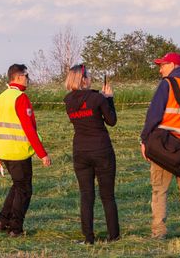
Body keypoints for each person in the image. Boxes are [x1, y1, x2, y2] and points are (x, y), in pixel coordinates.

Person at [140, 52, 180, 239]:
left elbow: (153, 115)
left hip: (165, 147)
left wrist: (144, 140)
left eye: (163, 65)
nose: (160, 69)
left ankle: (158, 231)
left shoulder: (166, 84)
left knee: (159, 190)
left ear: (174, 66)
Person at [0, 63, 51, 237]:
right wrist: (42, 154)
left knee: (17, 186)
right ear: (17, 77)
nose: (28, 79)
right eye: (26, 76)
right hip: (18, 151)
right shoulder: (20, 98)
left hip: (3, 150)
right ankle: (15, 228)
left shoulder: (0, 99)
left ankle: (2, 221)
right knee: (24, 189)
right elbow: (29, 128)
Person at [64, 64, 120, 244]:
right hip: (102, 149)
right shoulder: (98, 99)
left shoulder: (68, 101)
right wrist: (109, 99)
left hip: (80, 150)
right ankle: (114, 235)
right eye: (88, 76)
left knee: (86, 195)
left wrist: (99, 96)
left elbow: (83, 106)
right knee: (107, 195)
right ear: (83, 79)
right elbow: (111, 121)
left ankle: (88, 238)